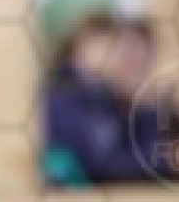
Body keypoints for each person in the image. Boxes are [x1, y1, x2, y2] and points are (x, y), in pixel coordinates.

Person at [43, 11, 162, 185]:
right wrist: (147, 110)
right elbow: (102, 166)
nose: (118, 56)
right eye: (110, 45)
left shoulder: (103, 97)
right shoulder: (61, 98)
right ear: (83, 46)